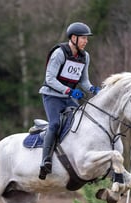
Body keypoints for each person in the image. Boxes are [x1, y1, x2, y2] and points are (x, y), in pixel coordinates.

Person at [38, 22, 101, 180]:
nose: (86, 41)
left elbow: (84, 82)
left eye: (87, 38)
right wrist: (69, 90)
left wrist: (93, 89)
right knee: (55, 124)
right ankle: (45, 160)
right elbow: (50, 79)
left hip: (69, 97)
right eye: (83, 38)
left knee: (82, 123)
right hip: (52, 95)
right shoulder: (59, 53)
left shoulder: (84, 56)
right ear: (73, 38)